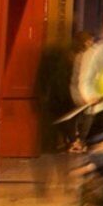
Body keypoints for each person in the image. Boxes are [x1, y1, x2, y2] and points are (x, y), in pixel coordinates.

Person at [28, 15, 83, 195]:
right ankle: (61, 182)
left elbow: (39, 79)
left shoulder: (54, 53)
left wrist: (39, 100)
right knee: (60, 146)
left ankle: (44, 185)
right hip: (63, 106)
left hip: (54, 105)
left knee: (49, 148)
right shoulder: (70, 55)